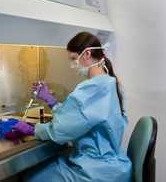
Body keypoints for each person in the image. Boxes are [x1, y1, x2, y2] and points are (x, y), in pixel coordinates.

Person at [12, 32, 132, 182]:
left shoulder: (90, 90)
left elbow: (59, 131)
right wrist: (52, 101)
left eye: (74, 59)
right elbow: (80, 117)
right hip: (113, 167)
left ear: (87, 54)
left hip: (94, 172)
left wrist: (33, 130)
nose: (72, 65)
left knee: (31, 177)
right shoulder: (111, 83)